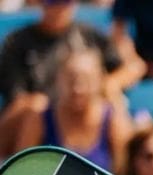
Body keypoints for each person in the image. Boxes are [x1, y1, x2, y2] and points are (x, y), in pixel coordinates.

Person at [0, 0, 138, 158]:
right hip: (40, 116)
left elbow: (131, 67)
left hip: (87, 110)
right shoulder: (18, 42)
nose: (59, 7)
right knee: (36, 107)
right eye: (52, 2)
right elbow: (17, 99)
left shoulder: (89, 35)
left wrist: (110, 83)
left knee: (115, 106)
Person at [12, 40, 132, 174]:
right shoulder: (39, 118)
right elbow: (21, 174)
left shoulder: (114, 120)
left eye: (87, 79)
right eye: (70, 79)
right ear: (58, 79)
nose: (78, 88)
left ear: (100, 79)